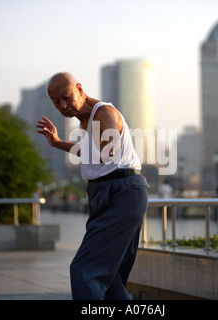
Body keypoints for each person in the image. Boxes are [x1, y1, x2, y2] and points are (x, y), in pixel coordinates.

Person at [36, 72, 149, 300]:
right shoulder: (84, 121)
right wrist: (58, 144)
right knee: (111, 279)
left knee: (84, 270)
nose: (63, 105)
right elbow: (91, 154)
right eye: (56, 102)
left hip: (122, 191)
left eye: (66, 97)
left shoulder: (104, 113)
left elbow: (108, 152)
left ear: (79, 88)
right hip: (105, 192)